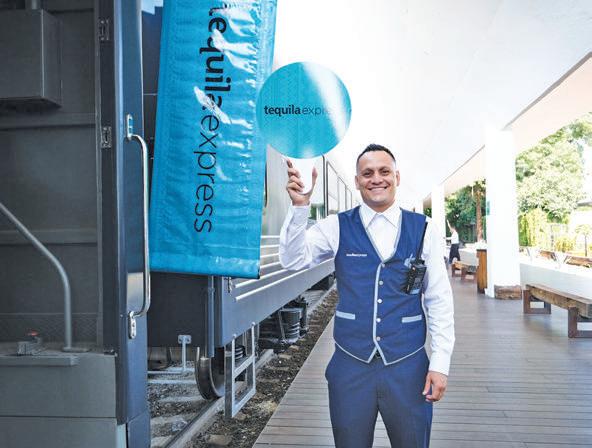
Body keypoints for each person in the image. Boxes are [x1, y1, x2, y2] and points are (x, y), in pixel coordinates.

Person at [279, 144, 455, 448]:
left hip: (408, 365)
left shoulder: (424, 228)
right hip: (350, 363)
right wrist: (299, 208)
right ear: (357, 180)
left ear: (397, 177)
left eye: (384, 171)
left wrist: (440, 363)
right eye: (367, 173)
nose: (376, 179)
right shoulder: (336, 226)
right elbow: (293, 260)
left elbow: (439, 298)